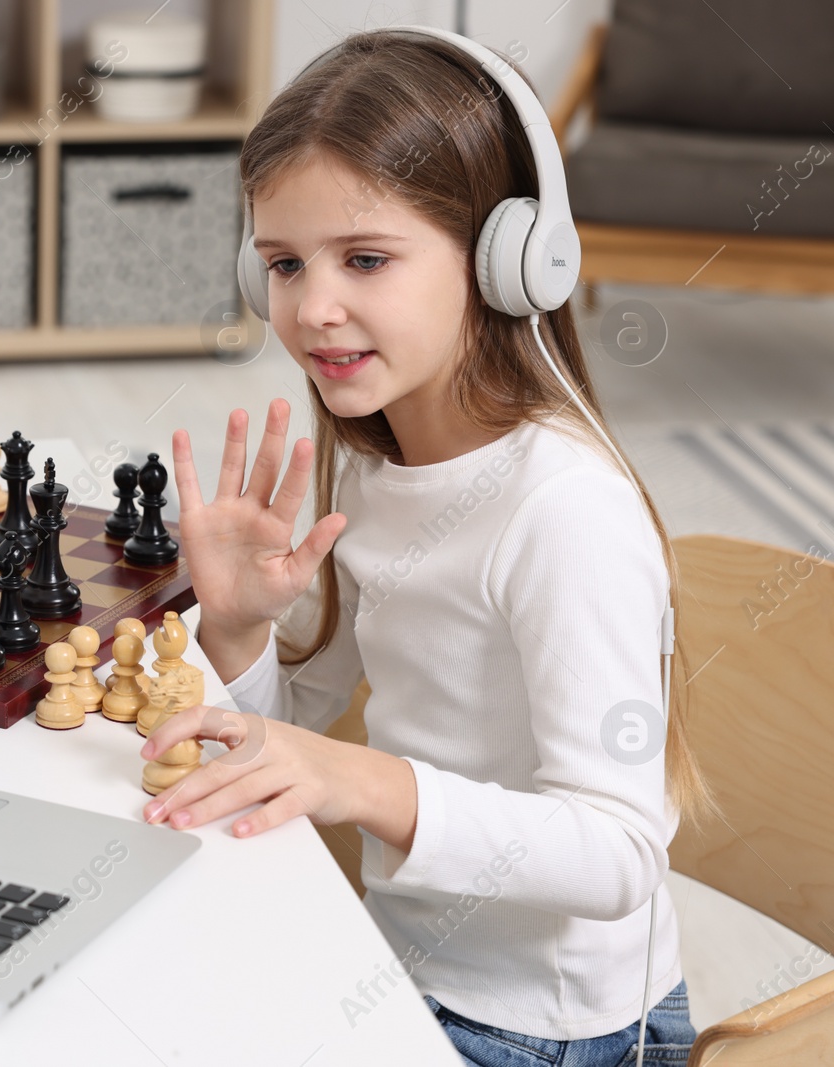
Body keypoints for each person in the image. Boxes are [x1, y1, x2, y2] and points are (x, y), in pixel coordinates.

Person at [137, 28, 715, 1067]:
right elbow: (292, 742)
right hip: (397, 966)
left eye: (365, 258)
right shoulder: (373, 461)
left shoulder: (565, 511)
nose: (312, 307)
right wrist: (233, 629)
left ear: (508, 257)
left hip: (548, 1031)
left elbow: (619, 850)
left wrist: (359, 780)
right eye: (281, 263)